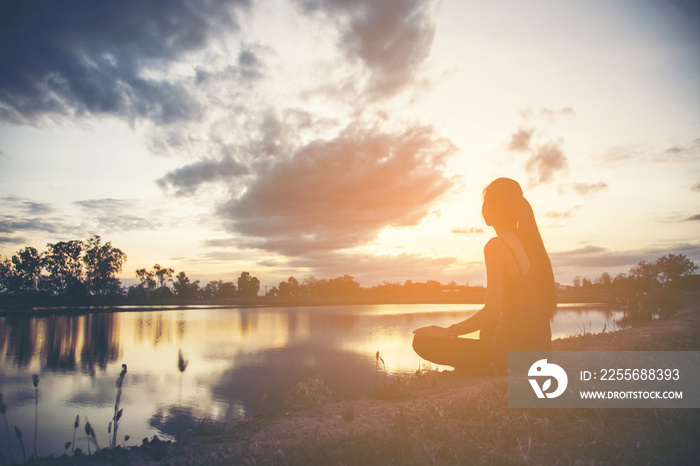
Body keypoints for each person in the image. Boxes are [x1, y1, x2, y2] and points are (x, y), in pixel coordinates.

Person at [412, 177, 556, 374]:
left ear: (493, 208)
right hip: (540, 355)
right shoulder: (530, 243)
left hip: (510, 357)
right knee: (488, 331)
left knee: (422, 342)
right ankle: (494, 362)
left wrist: (448, 331)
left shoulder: (497, 246)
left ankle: (495, 366)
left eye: (486, 202)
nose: (483, 208)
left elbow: (491, 312)